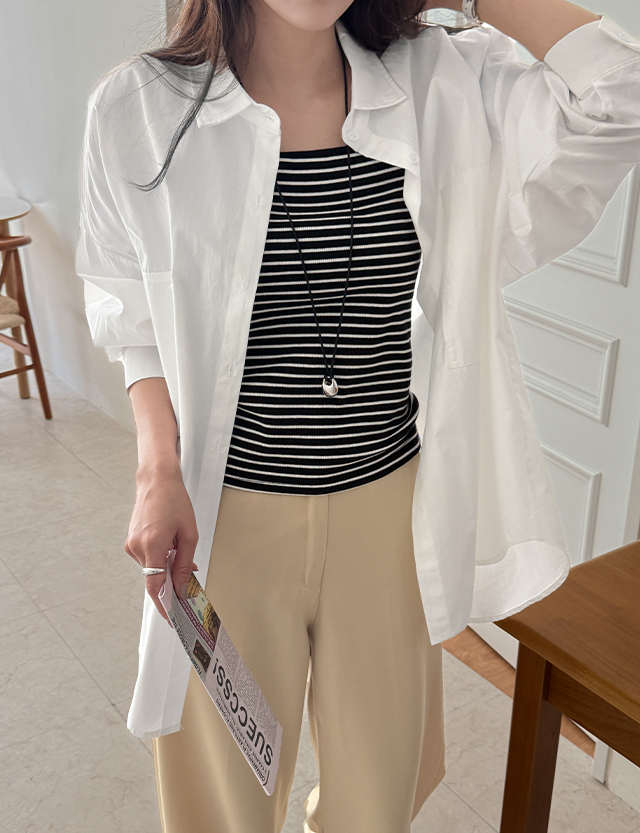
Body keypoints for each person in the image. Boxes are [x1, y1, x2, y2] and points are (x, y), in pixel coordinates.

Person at [75, 0, 640, 830]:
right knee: (221, 800)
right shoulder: (139, 108)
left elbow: (621, 93)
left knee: (379, 794)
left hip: (388, 510)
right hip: (224, 521)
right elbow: (132, 314)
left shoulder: (444, 82)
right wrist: (157, 469)